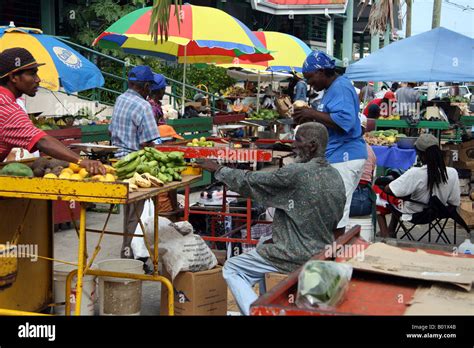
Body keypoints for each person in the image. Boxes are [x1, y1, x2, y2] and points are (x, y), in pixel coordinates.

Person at [198, 123, 345, 315]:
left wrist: (218, 170)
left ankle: (260, 312)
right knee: (261, 244)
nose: (293, 145)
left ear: (312, 145)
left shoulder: (297, 173)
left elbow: (252, 182)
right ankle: (269, 303)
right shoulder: (335, 176)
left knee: (232, 268)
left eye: (297, 140)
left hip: (294, 255)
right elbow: (331, 219)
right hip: (322, 249)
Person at [293, 50, 367, 237]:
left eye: (310, 78)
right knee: (331, 207)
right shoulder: (333, 88)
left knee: (336, 210)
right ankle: (329, 252)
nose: (309, 83)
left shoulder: (340, 87)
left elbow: (345, 123)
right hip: (339, 155)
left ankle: (333, 257)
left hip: (346, 156)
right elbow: (331, 119)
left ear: (321, 72)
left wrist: (312, 114)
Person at [0, 47, 104, 174]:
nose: (38, 79)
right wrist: (81, 161)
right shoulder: (6, 107)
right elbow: (42, 141)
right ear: (13, 77)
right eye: (32, 74)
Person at [109, 65, 161, 259]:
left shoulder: (120, 99)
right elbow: (148, 142)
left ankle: (127, 250)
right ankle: (130, 255)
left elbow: (110, 130)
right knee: (137, 214)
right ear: (145, 86)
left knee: (129, 212)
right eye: (150, 87)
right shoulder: (143, 106)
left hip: (119, 163)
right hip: (135, 165)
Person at [378, 133, 461, 237]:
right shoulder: (452, 172)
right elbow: (454, 202)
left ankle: (385, 234)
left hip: (414, 213)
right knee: (403, 196)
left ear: (420, 154)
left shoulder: (415, 173)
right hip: (438, 213)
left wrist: (387, 184)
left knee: (377, 191)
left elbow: (390, 189)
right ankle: (391, 230)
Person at [349, 114, 377, 217]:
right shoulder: (370, 149)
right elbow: (371, 175)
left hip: (350, 200)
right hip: (367, 201)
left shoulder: (344, 148)